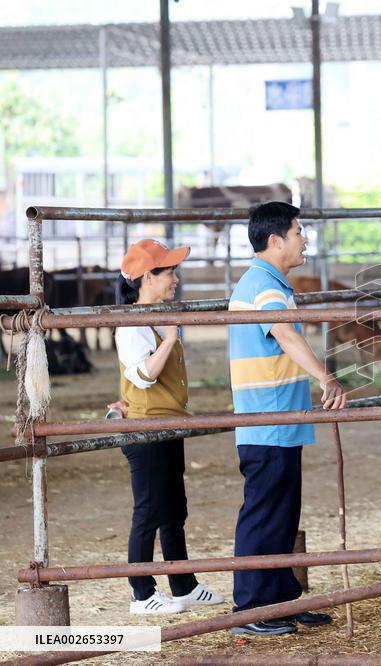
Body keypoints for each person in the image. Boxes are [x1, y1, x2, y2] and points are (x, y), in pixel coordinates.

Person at [228, 201, 347, 636]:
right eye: (299, 232)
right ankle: (252, 608)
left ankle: (278, 600)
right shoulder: (263, 285)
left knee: (280, 512)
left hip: (278, 419)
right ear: (276, 240)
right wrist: (325, 377)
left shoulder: (269, 282)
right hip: (268, 419)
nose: (304, 239)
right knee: (264, 512)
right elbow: (284, 332)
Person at [113, 239, 224, 614]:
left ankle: (184, 584)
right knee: (148, 509)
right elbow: (143, 375)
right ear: (148, 276)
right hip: (145, 429)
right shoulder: (130, 323)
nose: (175, 278)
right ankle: (141, 594)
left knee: (174, 506)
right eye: (169, 271)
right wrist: (172, 339)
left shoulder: (156, 315)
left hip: (166, 425)